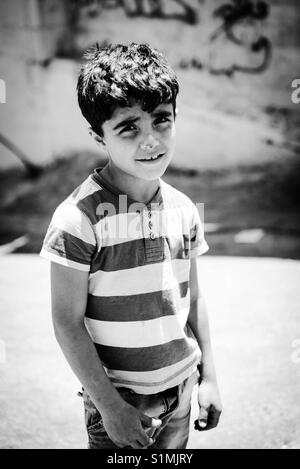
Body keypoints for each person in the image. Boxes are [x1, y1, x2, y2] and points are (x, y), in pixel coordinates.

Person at [40, 42, 222, 449]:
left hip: (182, 392)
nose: (150, 141)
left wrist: (209, 377)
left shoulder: (185, 209)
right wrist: (109, 407)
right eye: (129, 128)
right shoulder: (79, 219)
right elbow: (67, 323)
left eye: (161, 120)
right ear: (97, 135)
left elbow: (194, 299)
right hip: (119, 402)